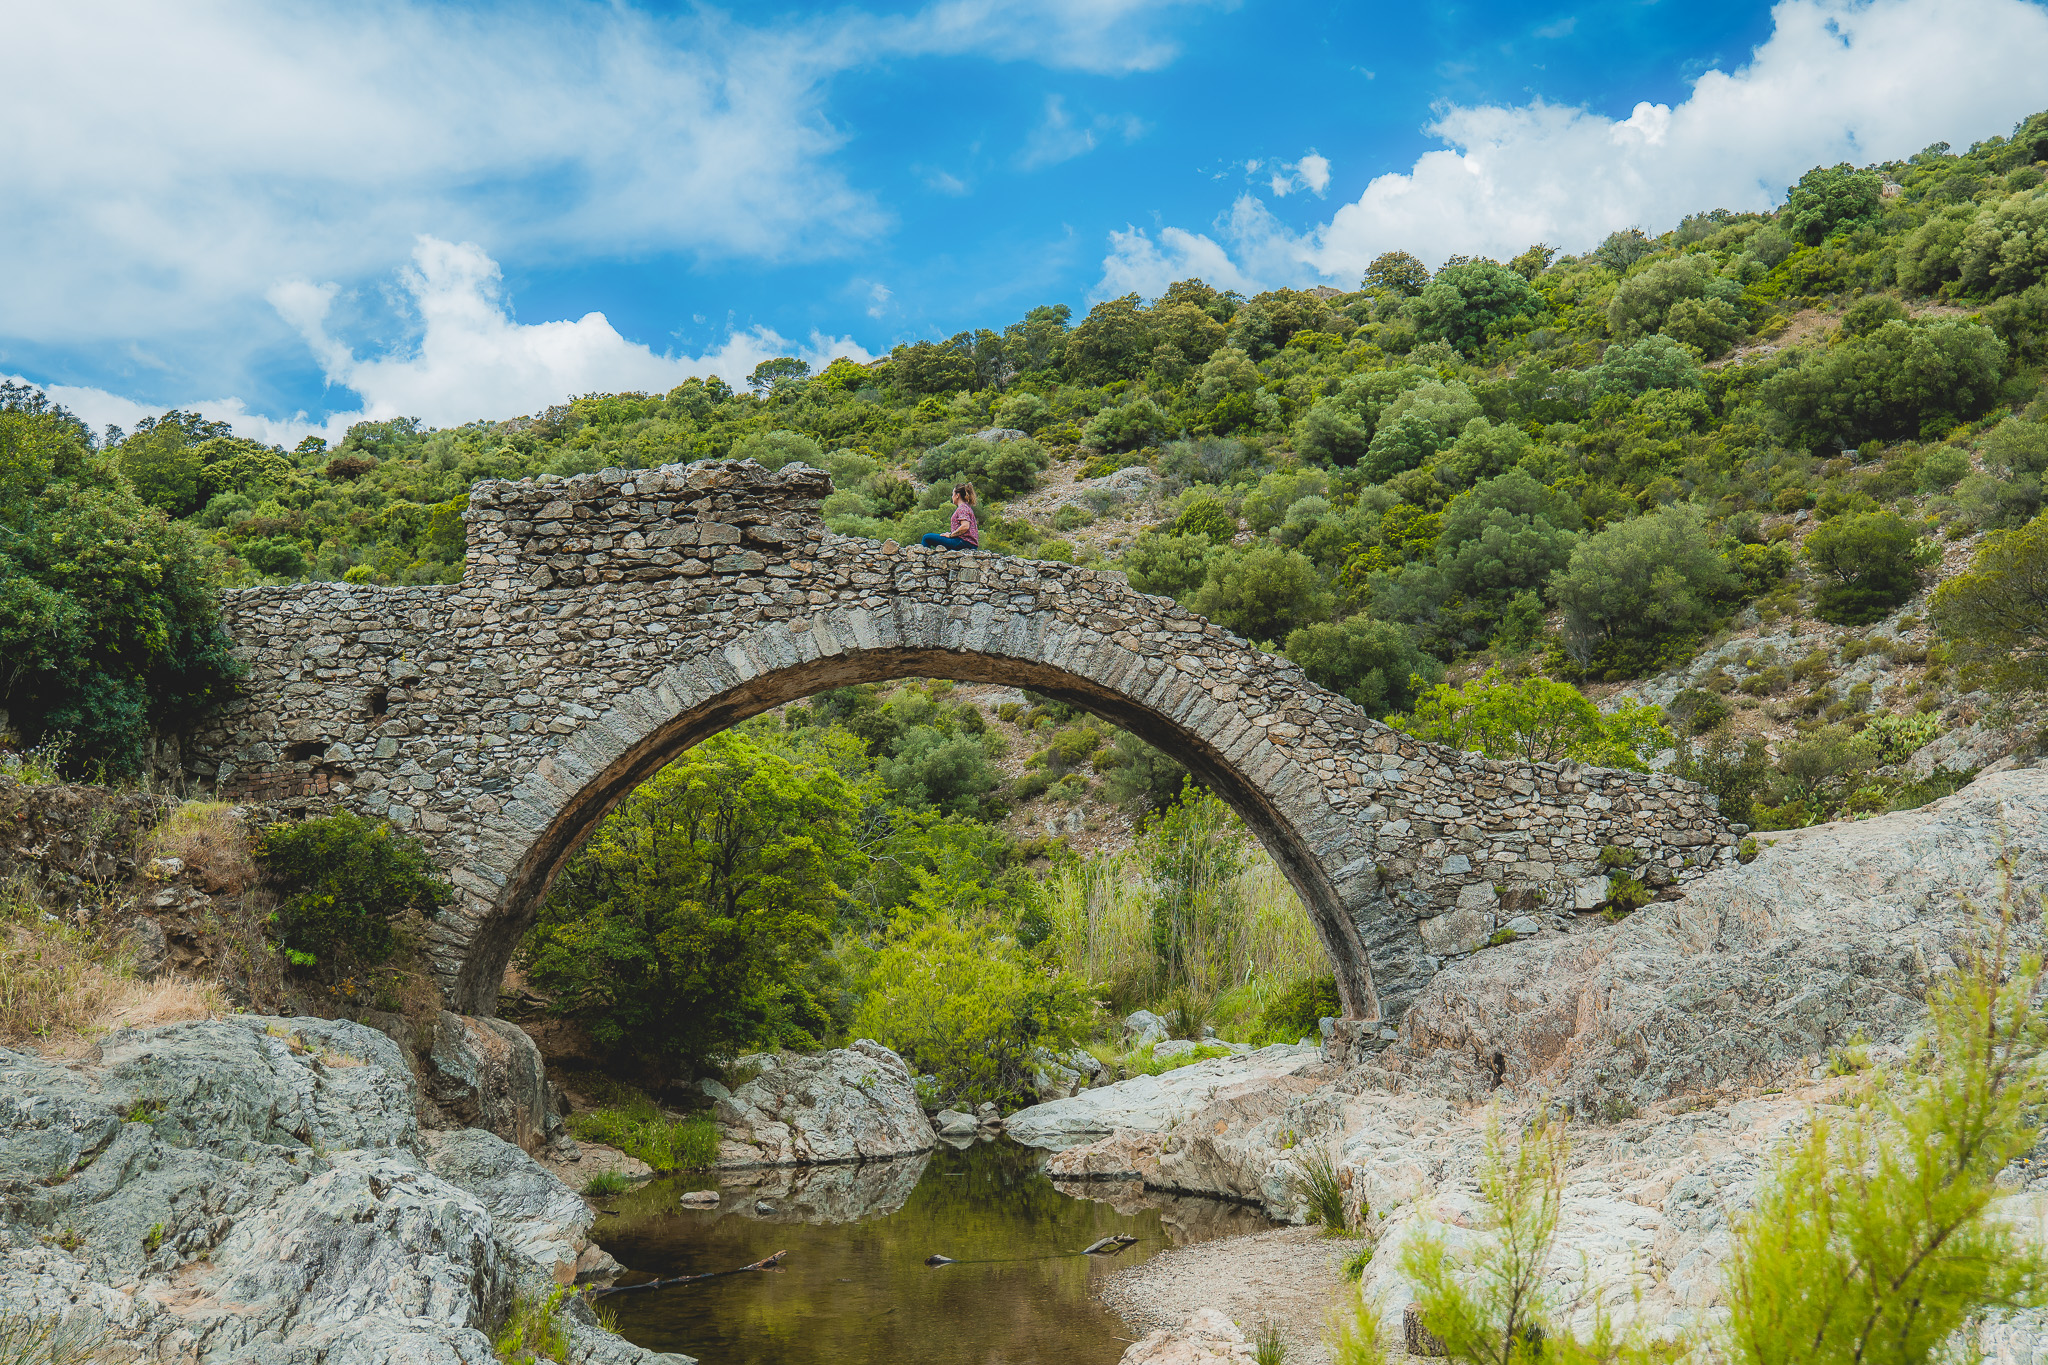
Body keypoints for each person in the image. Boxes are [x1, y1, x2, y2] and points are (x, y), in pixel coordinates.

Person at [921, 482, 980, 552]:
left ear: (957, 495)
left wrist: (951, 535)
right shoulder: (967, 507)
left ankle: (923, 560)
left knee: (926, 538)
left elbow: (965, 526)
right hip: (968, 543)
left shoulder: (962, 508)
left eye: (953, 494)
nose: (952, 497)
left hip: (963, 542)